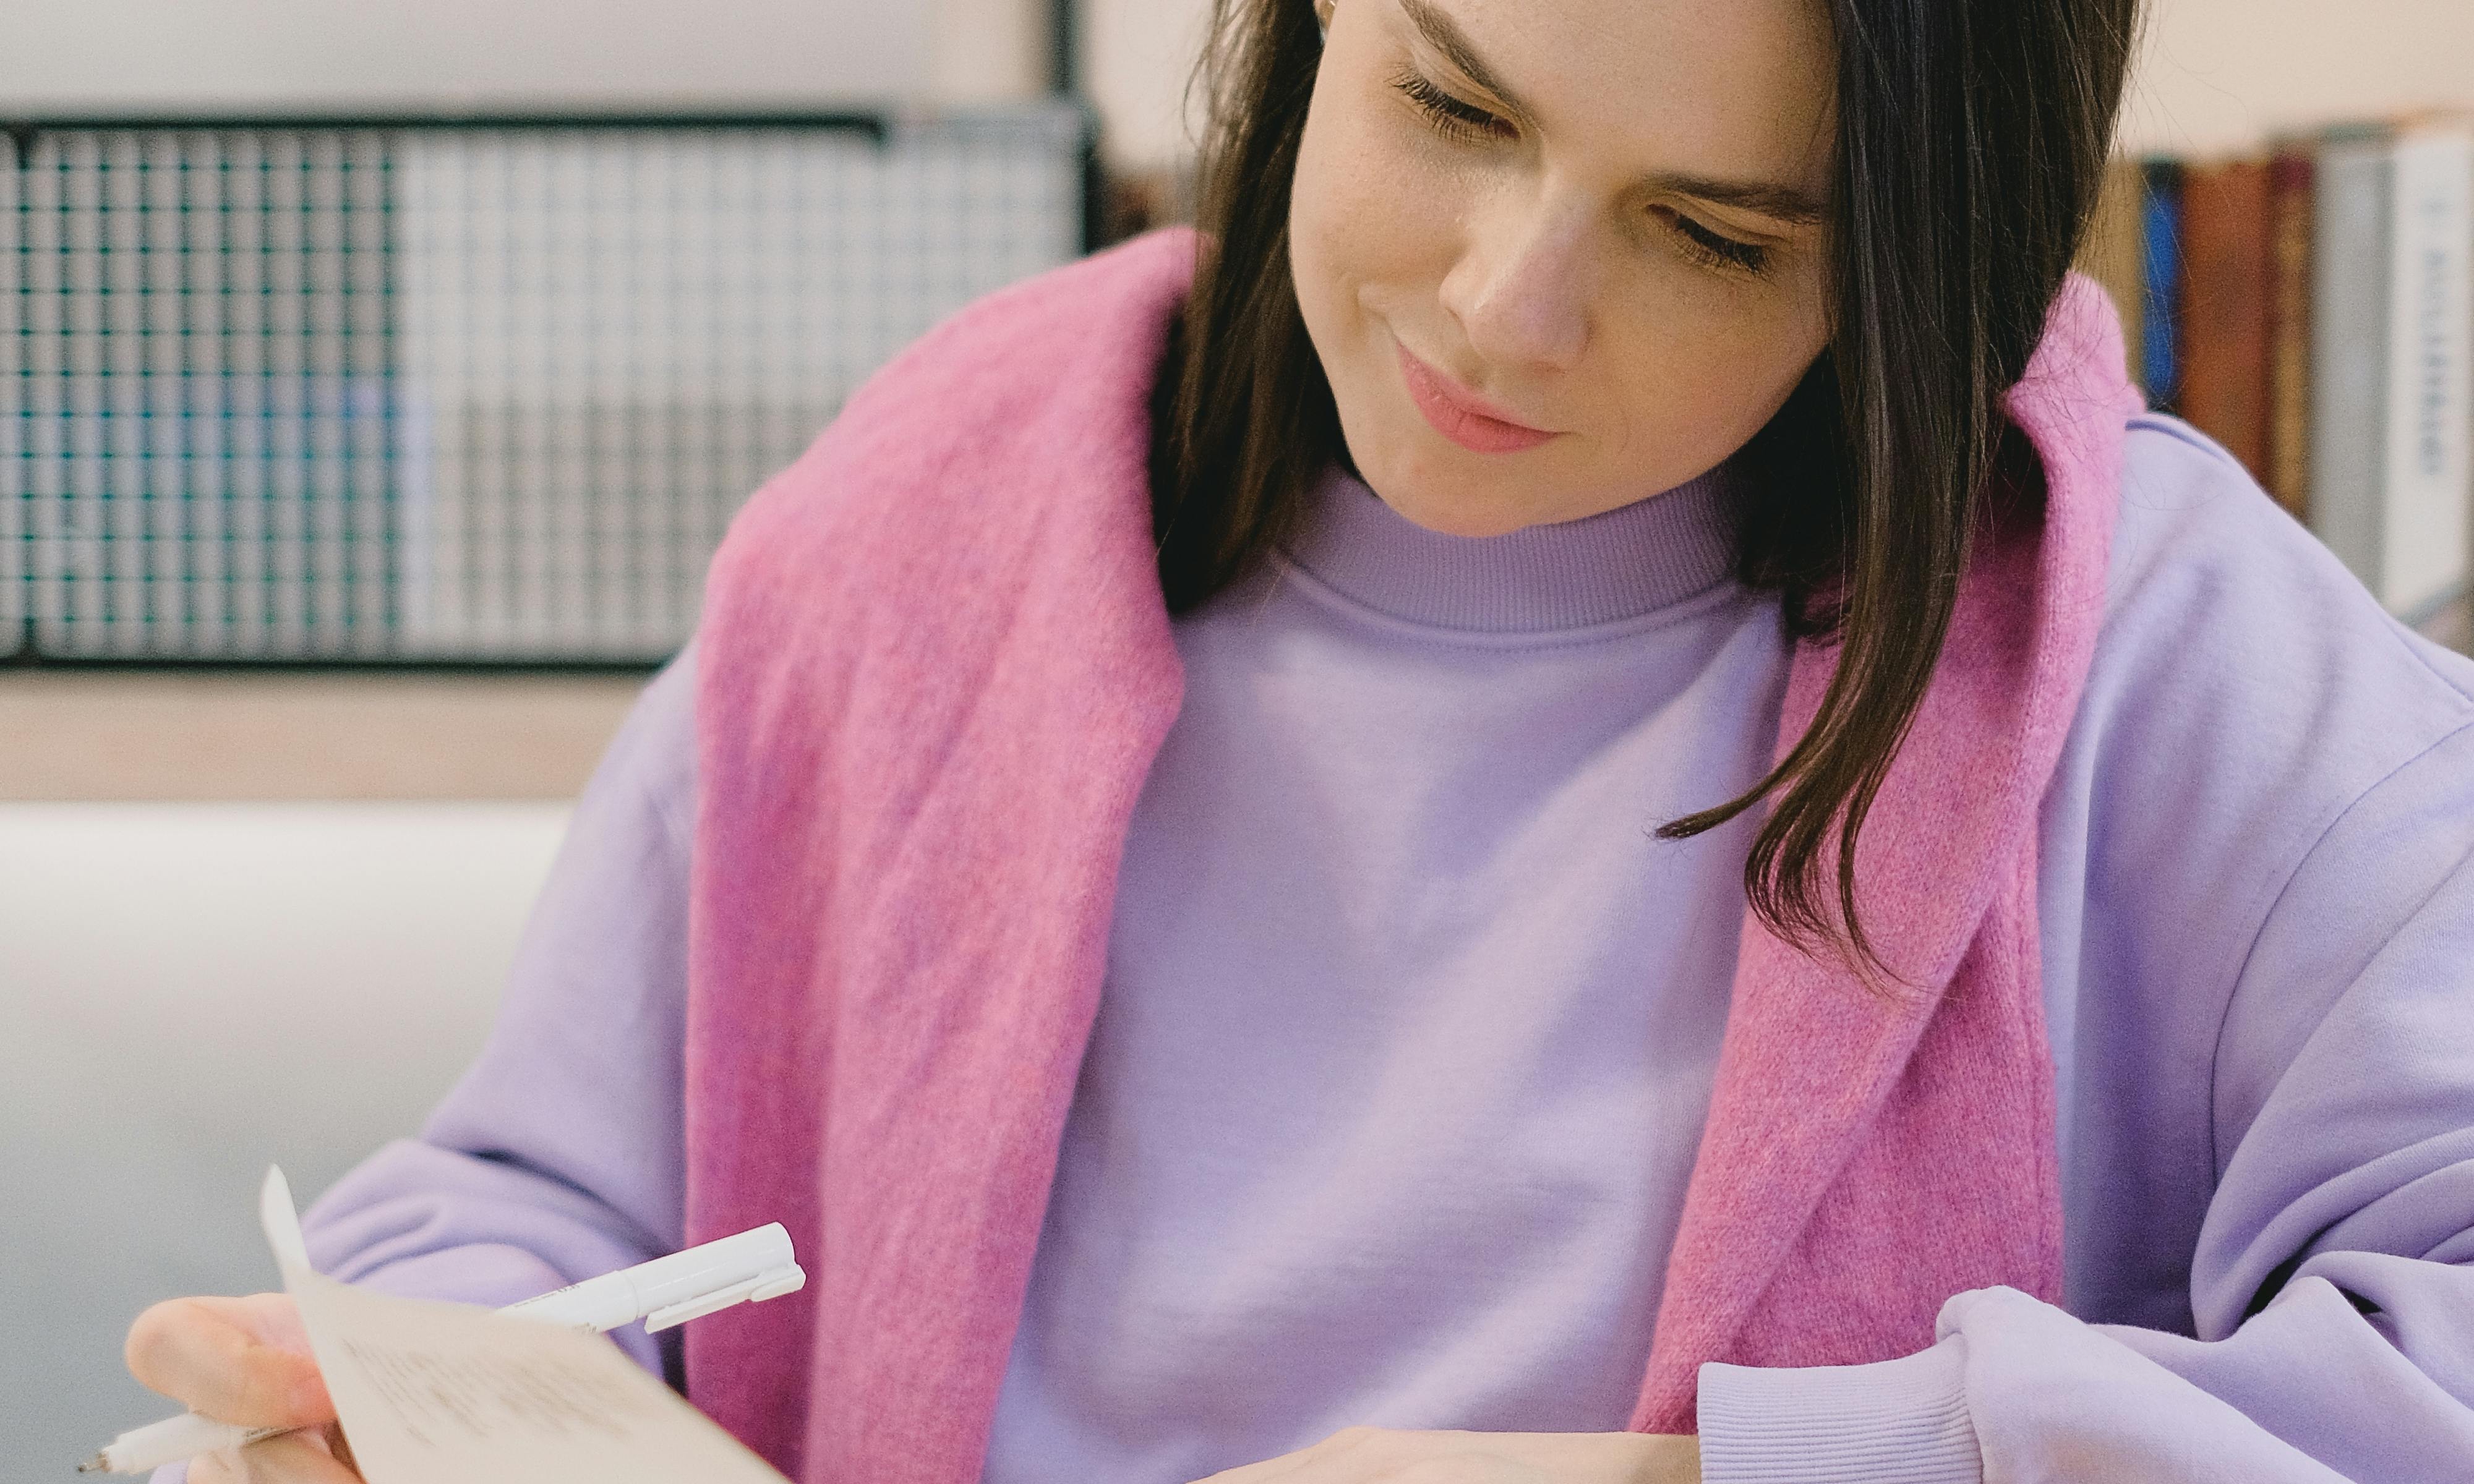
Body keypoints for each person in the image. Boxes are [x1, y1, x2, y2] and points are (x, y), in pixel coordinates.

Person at [122, 0, 2474, 1479]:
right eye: (1452, 102)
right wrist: (419, 1391)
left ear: (1911, 271)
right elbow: (547, 1201)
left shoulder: (2165, 664)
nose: (1507, 310)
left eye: (1717, 236)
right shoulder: (920, 524)